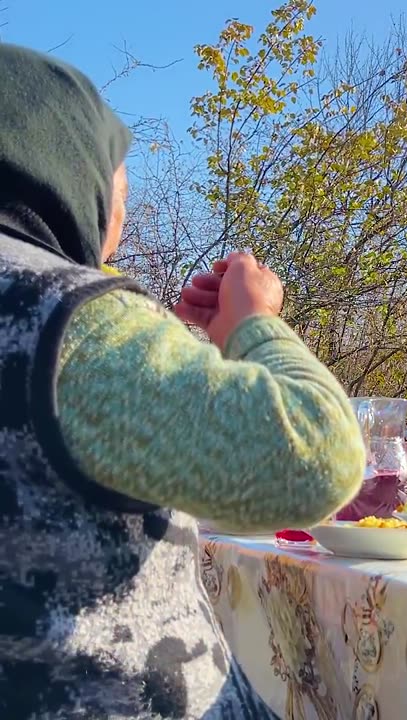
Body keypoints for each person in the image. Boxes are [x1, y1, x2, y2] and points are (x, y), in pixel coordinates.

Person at [0, 43, 367, 718]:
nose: (123, 208)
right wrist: (256, 325)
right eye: (119, 177)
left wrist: (191, 354)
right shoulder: (64, 315)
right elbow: (316, 459)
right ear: (61, 162)